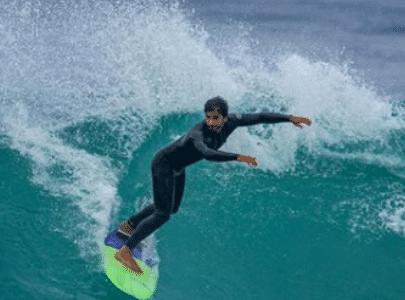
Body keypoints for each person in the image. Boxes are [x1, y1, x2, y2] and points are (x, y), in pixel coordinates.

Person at [114, 96, 312, 274]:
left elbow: (260, 117)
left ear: (225, 118)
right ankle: (126, 251)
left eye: (216, 118)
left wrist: (289, 118)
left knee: (170, 208)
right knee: (162, 214)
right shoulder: (198, 134)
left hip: (178, 167)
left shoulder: (233, 121)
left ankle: (128, 226)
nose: (211, 121)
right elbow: (207, 154)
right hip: (163, 165)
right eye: (208, 117)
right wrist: (238, 156)